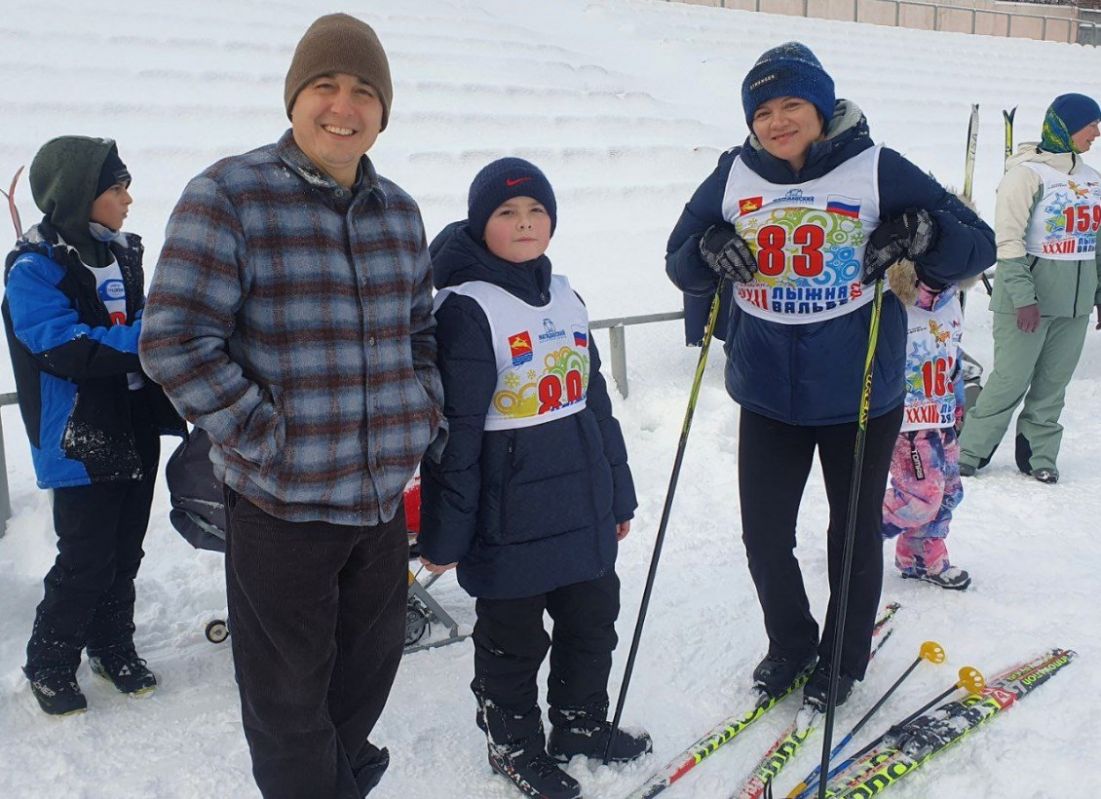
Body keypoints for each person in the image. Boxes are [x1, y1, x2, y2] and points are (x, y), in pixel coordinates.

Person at [139, 14, 444, 799]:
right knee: (286, 703)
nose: (343, 106)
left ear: (383, 110)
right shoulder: (228, 195)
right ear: (294, 97)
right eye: (325, 86)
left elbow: (420, 332)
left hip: (377, 505)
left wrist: (420, 409)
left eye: (363, 92)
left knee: (362, 685)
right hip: (280, 507)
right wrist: (263, 437)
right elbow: (174, 338)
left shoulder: (399, 213)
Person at [665, 43, 995, 709]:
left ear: (820, 106)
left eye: (791, 104)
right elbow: (679, 261)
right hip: (765, 394)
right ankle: (789, 643)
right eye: (762, 110)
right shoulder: (732, 175)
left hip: (859, 394)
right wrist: (706, 248)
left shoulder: (874, 167)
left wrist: (922, 230)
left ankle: (842, 660)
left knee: (848, 539)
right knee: (763, 537)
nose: (777, 121)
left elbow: (977, 245)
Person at [418, 158, 650, 799]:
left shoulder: (568, 295)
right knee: (513, 642)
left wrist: (618, 492)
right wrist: (447, 533)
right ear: (480, 223)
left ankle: (578, 725)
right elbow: (454, 436)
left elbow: (594, 400)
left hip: (581, 501)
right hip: (507, 516)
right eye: (506, 213)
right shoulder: (465, 308)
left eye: (536, 212)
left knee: (591, 621)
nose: (524, 224)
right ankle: (512, 744)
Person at [2, 136, 184, 716]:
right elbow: (62, 345)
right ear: (81, 195)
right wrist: (153, 340)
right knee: (86, 556)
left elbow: (145, 315)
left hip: (133, 420)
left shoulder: (123, 252)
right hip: (79, 430)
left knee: (125, 548)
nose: (128, 199)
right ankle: (50, 661)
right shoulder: (34, 268)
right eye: (116, 187)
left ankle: (112, 646)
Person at [958, 93, 1101, 485]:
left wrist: (1098, 294)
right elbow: (1009, 241)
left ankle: (1039, 454)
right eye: (1091, 125)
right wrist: (1024, 298)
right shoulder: (1026, 175)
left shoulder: (1091, 178)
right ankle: (970, 450)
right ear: (1068, 126)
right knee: (1010, 380)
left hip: (1073, 306)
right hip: (1028, 302)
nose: (1097, 133)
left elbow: (1097, 242)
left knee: (1053, 385)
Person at [880, 255, 973, 590]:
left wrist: (958, 404)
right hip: (906, 421)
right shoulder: (893, 303)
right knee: (920, 497)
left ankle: (920, 556)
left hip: (942, 415)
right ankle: (857, 532)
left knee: (949, 492)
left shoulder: (951, 302)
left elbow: (953, 357)